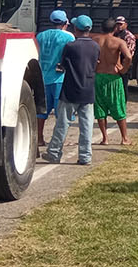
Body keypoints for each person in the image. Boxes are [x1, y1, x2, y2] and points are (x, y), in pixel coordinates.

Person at [42, 15, 98, 166]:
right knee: (86, 126)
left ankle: (54, 153)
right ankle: (85, 157)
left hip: (70, 90)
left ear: (76, 29)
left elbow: (63, 65)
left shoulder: (71, 46)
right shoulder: (95, 46)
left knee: (62, 123)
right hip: (88, 90)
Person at [34, 10, 75, 146]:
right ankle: (58, 140)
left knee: (42, 110)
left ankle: (39, 138)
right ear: (65, 23)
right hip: (60, 78)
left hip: (43, 77)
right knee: (61, 112)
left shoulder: (41, 36)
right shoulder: (69, 37)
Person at [90, 18, 133, 145]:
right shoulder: (118, 42)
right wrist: (124, 69)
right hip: (113, 77)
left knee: (100, 108)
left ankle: (105, 138)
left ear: (101, 28)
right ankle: (124, 138)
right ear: (115, 29)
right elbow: (129, 57)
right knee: (118, 106)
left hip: (98, 76)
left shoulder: (95, 40)